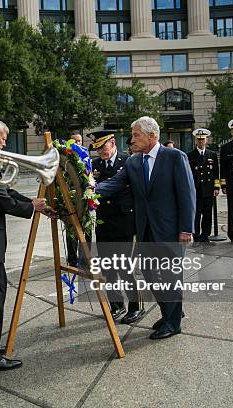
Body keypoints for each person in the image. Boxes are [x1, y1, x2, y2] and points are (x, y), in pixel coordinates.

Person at [96, 117, 195, 339]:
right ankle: (168, 313)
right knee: (150, 275)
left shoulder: (174, 157)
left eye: (136, 135)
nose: (132, 140)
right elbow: (112, 184)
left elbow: (187, 194)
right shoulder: (133, 162)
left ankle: (173, 323)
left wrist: (186, 228)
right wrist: (87, 191)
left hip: (170, 230)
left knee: (170, 277)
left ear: (152, 136)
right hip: (145, 231)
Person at [0, 117, 54, 372]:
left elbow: (3, 191)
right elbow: (3, 200)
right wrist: (31, 206)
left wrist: (32, 203)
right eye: (3, 138)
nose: (5, 144)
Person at [89, 130, 144, 324]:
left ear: (112, 143)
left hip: (124, 223)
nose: (100, 152)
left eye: (103, 147)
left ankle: (136, 306)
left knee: (123, 267)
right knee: (107, 268)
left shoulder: (127, 161)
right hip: (104, 223)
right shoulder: (93, 165)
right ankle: (116, 304)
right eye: (97, 148)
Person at [186, 129, 219, 243]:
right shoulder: (190, 155)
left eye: (203, 139)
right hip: (196, 190)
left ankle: (205, 235)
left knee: (207, 214)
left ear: (206, 140)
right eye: (199, 139)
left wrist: (216, 187)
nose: (201, 141)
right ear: (196, 141)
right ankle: (196, 235)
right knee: (196, 214)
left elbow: (215, 172)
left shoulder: (212, 155)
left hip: (209, 190)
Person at [65, 132, 92, 267]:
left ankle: (86, 258)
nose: (78, 144)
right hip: (71, 199)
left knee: (87, 228)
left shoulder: (86, 156)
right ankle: (72, 259)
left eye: (80, 141)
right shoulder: (66, 157)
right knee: (71, 230)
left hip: (85, 197)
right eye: (74, 141)